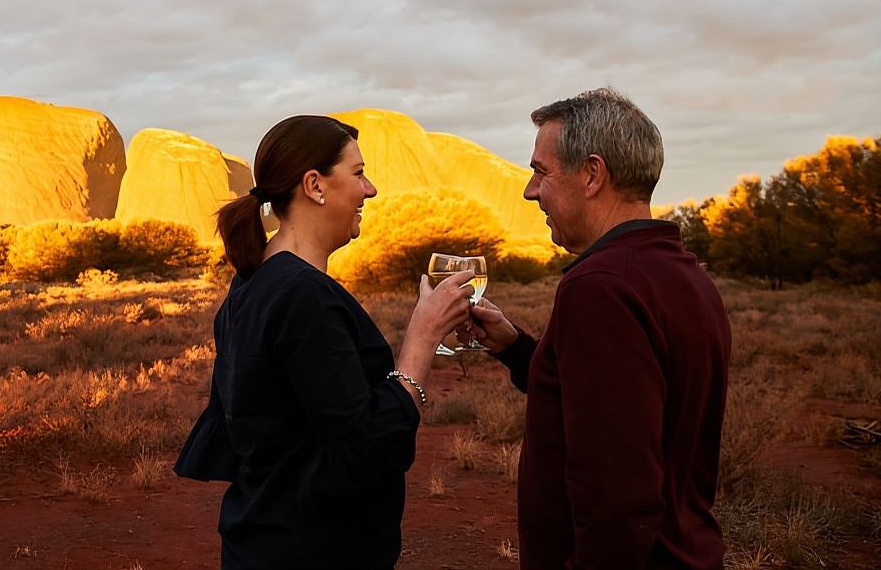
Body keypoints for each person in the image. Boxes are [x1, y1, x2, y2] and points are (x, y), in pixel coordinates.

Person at [175, 115, 474, 570]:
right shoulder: (302, 295)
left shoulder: (255, 281)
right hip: (309, 549)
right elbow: (364, 454)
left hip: (264, 539)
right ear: (314, 186)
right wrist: (423, 338)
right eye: (358, 173)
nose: (370, 189)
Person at [469, 88, 732, 569]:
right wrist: (515, 349)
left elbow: (617, 495)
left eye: (541, 172)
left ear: (592, 174)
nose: (530, 191)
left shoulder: (601, 287)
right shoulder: (679, 273)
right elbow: (613, 405)